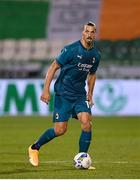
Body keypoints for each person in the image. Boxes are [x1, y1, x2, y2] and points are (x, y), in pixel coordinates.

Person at [28, 21, 101, 169]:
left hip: (80, 95)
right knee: (60, 130)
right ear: (83, 33)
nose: (89, 34)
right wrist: (45, 90)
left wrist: (90, 95)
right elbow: (53, 67)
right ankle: (35, 147)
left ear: (95, 34)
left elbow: (92, 75)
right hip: (63, 94)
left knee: (87, 122)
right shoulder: (71, 50)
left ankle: (82, 158)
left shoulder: (96, 55)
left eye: (92, 32)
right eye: (87, 31)